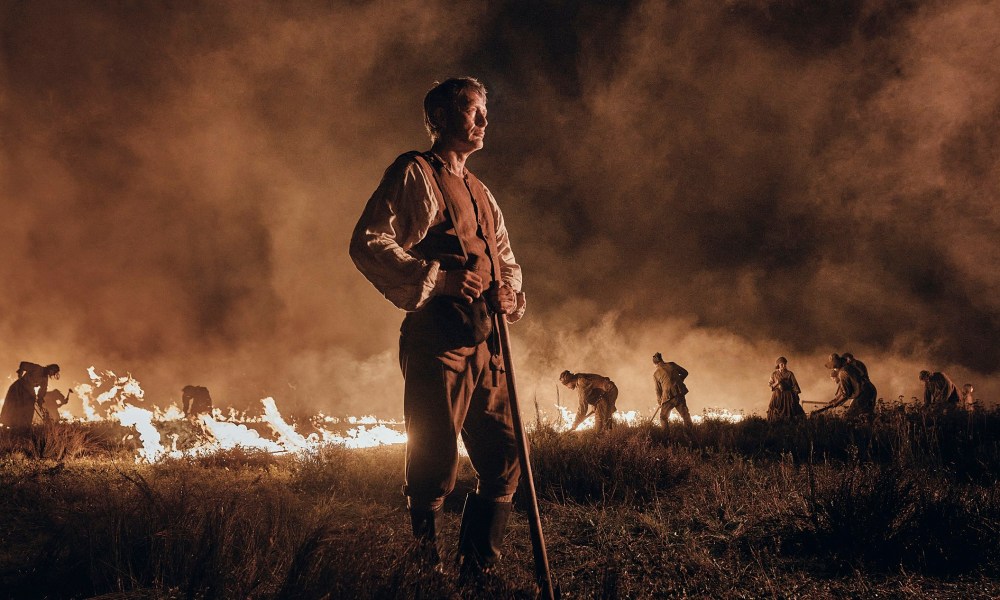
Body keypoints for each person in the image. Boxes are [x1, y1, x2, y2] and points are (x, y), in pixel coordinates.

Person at [350, 77, 526, 577]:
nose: (484, 121)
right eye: (474, 111)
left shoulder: (480, 189)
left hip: (487, 343)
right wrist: (441, 281)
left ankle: (476, 567)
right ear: (443, 117)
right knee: (433, 459)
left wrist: (509, 294)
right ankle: (423, 570)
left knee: (506, 453)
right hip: (437, 341)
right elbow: (368, 241)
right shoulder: (415, 172)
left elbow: (505, 257)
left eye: (484, 111)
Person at [1, 362, 60, 432]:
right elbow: (23, 364)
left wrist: (40, 399)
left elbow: (43, 390)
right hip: (18, 388)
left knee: (28, 409)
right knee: (12, 406)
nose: (52, 374)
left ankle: (22, 428)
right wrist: (20, 372)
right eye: (53, 372)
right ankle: (5, 427)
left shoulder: (45, 379)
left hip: (28, 391)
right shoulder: (37, 368)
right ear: (50, 368)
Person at [815, 354, 875, 420]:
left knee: (848, 417)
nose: (834, 369)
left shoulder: (843, 372)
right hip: (871, 389)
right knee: (867, 416)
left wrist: (836, 403)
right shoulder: (848, 367)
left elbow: (846, 394)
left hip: (864, 393)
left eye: (834, 367)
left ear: (837, 365)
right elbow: (844, 391)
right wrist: (836, 400)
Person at [652, 353, 692, 427]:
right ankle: (690, 435)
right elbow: (685, 373)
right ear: (662, 360)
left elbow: (658, 390)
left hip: (668, 397)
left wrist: (659, 401)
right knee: (685, 416)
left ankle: (666, 437)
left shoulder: (656, 374)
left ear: (655, 364)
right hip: (679, 393)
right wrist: (679, 380)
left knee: (663, 418)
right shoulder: (672, 365)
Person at [766, 357, 805, 421]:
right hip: (777, 396)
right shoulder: (774, 374)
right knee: (774, 411)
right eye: (782, 364)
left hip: (788, 397)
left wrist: (795, 395)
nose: (783, 366)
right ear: (778, 365)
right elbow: (770, 386)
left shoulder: (790, 374)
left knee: (790, 412)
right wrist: (777, 383)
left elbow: (795, 385)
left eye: (785, 364)